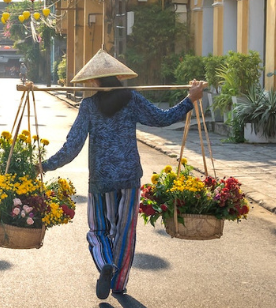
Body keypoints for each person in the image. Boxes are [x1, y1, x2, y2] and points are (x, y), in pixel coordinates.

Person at [41, 50, 206, 299]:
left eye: (90, 82)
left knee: (98, 230)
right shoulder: (132, 99)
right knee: (125, 232)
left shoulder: (88, 106)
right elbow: (163, 119)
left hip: (101, 179)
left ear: (97, 81)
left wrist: (45, 165)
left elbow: (72, 147)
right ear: (116, 77)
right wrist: (189, 99)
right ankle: (118, 284)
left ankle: (105, 261)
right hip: (129, 177)